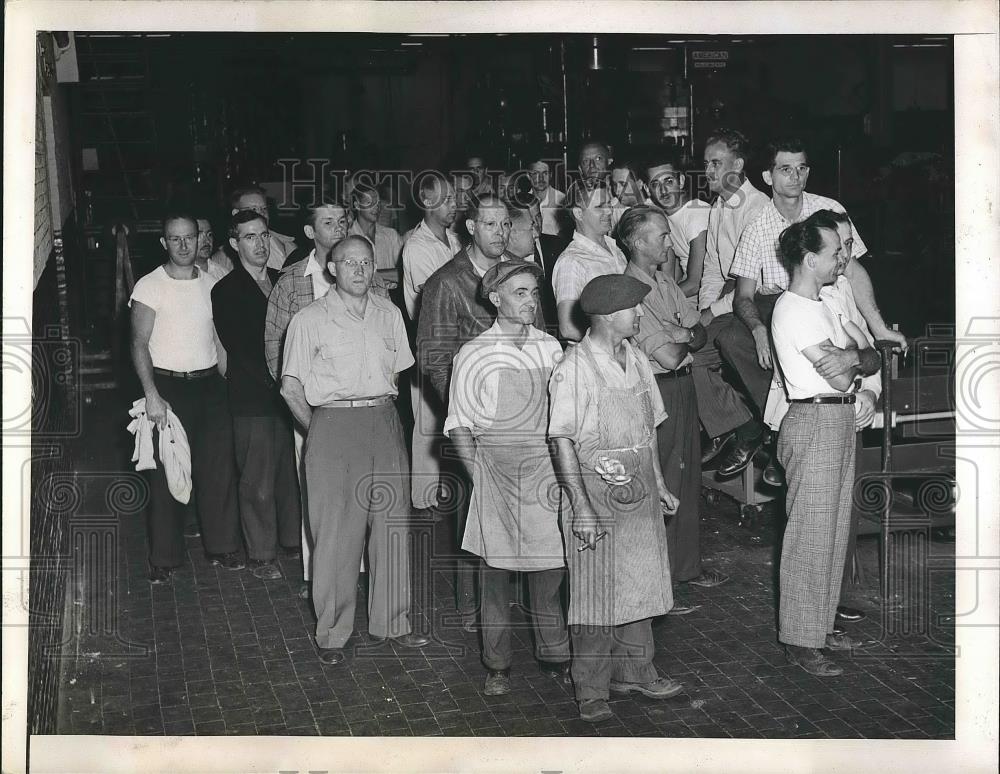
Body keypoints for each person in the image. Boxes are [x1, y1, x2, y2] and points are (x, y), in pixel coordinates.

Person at [280, 235, 430, 664]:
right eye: (350, 263)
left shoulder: (390, 314)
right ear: (332, 268)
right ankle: (333, 632)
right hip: (331, 425)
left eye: (366, 262)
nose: (361, 270)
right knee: (335, 537)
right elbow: (290, 388)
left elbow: (399, 376)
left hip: (383, 422)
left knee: (391, 527)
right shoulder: (310, 319)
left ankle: (392, 622)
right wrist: (322, 430)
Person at [725, 136, 906, 478]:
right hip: (782, 303)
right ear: (768, 177)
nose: (795, 176)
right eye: (785, 169)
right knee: (740, 336)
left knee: (857, 344)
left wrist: (878, 325)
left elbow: (854, 270)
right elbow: (743, 296)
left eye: (801, 168)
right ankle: (777, 433)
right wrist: (758, 329)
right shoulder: (756, 226)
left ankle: (794, 433)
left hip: (833, 299)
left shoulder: (829, 209)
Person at [549, 273, 684, 723]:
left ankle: (637, 670)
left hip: (639, 485)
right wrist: (582, 507)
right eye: (633, 309)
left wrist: (660, 483)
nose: (640, 314)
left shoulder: (639, 359)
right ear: (608, 316)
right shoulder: (575, 368)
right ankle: (591, 689)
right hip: (596, 490)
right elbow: (562, 441)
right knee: (595, 591)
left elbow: (648, 431)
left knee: (641, 580)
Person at [418, 193, 546, 631]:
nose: (500, 233)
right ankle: (473, 609)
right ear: (470, 227)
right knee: (476, 518)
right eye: (490, 225)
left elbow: (539, 333)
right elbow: (434, 359)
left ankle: (528, 601)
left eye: (505, 225)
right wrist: (468, 410)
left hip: (526, 420)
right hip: (473, 419)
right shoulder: (445, 282)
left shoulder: (520, 275)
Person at [445, 260, 571, 695]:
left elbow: (564, 416)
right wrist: (479, 475)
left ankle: (555, 655)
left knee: (550, 571)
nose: (530, 301)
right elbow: (459, 424)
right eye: (520, 293)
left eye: (534, 293)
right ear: (495, 297)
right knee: (494, 577)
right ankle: (496, 665)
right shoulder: (474, 353)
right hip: (495, 470)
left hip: (543, 470)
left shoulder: (550, 348)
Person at [763, 209, 883, 627]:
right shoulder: (792, 309)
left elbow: (870, 356)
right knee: (809, 536)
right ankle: (801, 638)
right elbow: (842, 370)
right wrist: (856, 359)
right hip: (813, 419)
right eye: (835, 252)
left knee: (832, 535)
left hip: (839, 418)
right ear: (811, 259)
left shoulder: (826, 305)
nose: (842, 259)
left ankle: (822, 628)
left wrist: (855, 358)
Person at [619, 207, 730, 599]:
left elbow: (699, 335)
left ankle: (684, 568)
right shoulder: (630, 291)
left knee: (685, 476)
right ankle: (657, 579)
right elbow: (666, 356)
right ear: (636, 242)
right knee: (661, 478)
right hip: (658, 387)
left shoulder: (665, 282)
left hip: (684, 385)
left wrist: (682, 332)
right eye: (662, 236)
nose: (669, 243)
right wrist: (685, 337)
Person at [129, 213, 244, 583]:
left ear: (200, 240)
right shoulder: (149, 286)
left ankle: (223, 547)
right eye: (174, 239)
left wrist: (231, 385)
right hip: (168, 389)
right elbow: (138, 344)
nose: (182, 245)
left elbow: (220, 342)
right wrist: (152, 396)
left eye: (189, 238)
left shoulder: (214, 284)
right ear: (164, 242)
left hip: (210, 386)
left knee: (218, 470)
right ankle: (163, 559)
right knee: (166, 476)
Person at [263, 200, 350, 596]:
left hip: (356, 404)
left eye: (342, 221)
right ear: (310, 233)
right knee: (316, 488)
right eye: (328, 223)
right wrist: (300, 403)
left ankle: (355, 570)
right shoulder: (291, 281)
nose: (338, 228)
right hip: (311, 406)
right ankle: (318, 574)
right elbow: (273, 349)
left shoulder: (365, 274)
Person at [212, 210, 301, 580]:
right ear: (235, 244)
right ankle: (262, 554)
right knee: (257, 481)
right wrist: (279, 382)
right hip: (254, 397)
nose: (261, 243)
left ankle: (293, 540)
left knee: (289, 475)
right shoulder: (227, 290)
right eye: (250, 237)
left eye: (264, 235)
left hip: (288, 395)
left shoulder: (283, 281)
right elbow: (241, 349)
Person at [693, 128, 770, 475]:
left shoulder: (759, 208)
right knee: (685, 350)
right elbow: (711, 267)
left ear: (737, 164)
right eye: (706, 163)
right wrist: (703, 312)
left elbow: (754, 282)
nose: (708, 171)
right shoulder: (718, 207)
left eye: (716, 163)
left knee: (713, 344)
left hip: (757, 298)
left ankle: (757, 429)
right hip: (725, 298)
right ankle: (732, 425)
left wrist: (713, 311)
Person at [401, 174, 461, 516]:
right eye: (446, 199)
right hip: (430, 344)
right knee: (427, 425)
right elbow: (441, 301)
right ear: (426, 203)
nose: (453, 204)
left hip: (457, 344)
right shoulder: (417, 248)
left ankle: (443, 492)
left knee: (447, 421)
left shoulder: (453, 240)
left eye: (454, 198)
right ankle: (423, 500)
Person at [551, 181, 627, 342]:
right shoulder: (571, 262)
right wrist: (609, 345)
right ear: (578, 213)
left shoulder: (616, 250)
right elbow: (568, 328)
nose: (608, 211)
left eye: (609, 204)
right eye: (600, 206)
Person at [645, 158, 709, 299]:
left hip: (710, 292)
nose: (663, 191)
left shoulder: (696, 215)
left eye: (668, 181)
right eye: (655, 184)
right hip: (690, 291)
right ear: (647, 190)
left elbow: (695, 284)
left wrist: (659, 301)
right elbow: (670, 277)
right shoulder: (665, 218)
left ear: (680, 181)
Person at [212, 186, 297, 272]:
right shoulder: (222, 260)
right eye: (253, 209)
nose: (261, 214)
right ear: (236, 213)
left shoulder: (287, 246)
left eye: (264, 208)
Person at [349, 180, 403, 278]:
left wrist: (372, 275)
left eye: (378, 203)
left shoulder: (391, 235)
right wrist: (389, 275)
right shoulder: (348, 237)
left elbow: (405, 273)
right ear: (357, 205)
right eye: (369, 203)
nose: (376, 207)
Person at [527, 157, 567, 237]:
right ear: (529, 176)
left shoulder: (562, 201)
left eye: (545, 173)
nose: (541, 178)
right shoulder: (523, 202)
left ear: (551, 175)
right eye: (536, 173)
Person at [194, 216, 228, 281]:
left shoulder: (223, 273)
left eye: (209, 234)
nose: (207, 240)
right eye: (199, 235)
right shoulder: (179, 275)